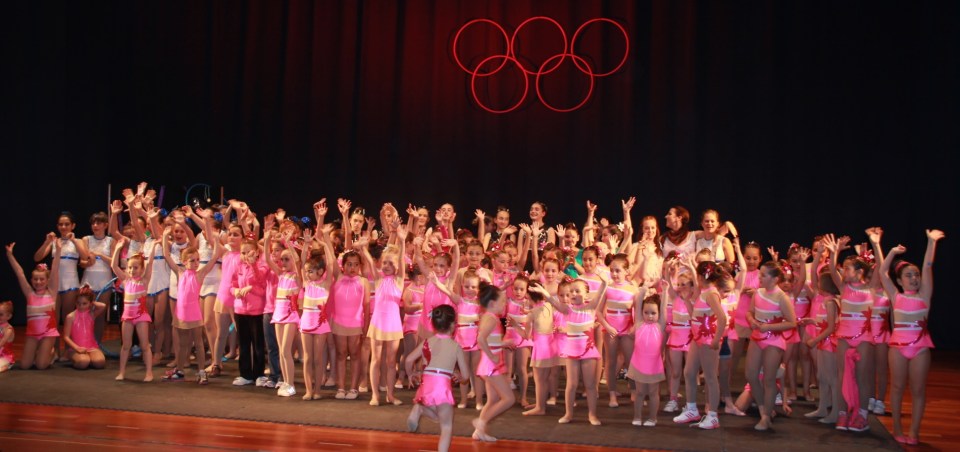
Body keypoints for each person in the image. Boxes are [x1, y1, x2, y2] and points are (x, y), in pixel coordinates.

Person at [878, 229, 943, 446]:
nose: (914, 278)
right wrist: (891, 251)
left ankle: (914, 432)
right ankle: (897, 428)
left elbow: (927, 266)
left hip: (920, 347)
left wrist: (931, 242)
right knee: (897, 388)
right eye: (909, 275)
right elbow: (882, 272)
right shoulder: (895, 296)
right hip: (897, 347)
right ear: (899, 280)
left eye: (916, 275)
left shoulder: (924, 295)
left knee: (918, 390)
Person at [533, 277, 607, 426]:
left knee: (590, 384)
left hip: (588, 351)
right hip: (572, 351)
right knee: (571, 384)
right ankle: (568, 413)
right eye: (571, 291)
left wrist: (604, 283)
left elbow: (599, 295)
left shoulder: (590, 308)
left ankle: (592, 414)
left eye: (577, 291)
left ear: (586, 294)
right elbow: (554, 302)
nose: (573, 294)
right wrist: (544, 292)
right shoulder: (568, 309)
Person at [405, 304, 470, 452]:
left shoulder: (427, 342)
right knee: (446, 426)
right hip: (442, 387)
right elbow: (466, 377)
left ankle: (419, 409)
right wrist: (459, 376)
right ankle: (419, 410)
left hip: (426, 385)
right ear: (453, 325)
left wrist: (410, 374)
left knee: (437, 416)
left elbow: (409, 360)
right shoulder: (455, 346)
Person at [161, 227, 221, 384]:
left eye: (197, 260)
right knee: (181, 344)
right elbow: (167, 255)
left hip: (194, 313)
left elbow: (214, 257)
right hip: (181, 313)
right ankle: (180, 370)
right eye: (192, 260)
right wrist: (164, 236)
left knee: (199, 343)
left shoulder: (200, 274)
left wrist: (215, 242)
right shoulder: (179, 272)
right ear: (184, 261)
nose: (196, 263)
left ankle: (201, 372)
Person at [744, 260, 797, 431]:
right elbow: (750, 312)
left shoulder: (782, 297)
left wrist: (769, 327)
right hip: (757, 337)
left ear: (774, 279)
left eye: (763, 275)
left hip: (773, 341)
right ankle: (763, 410)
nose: (759, 277)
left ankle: (766, 417)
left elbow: (792, 323)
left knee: (768, 379)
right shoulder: (758, 293)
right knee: (751, 375)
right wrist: (752, 320)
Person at [361, 225, 409, 406]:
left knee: (391, 362)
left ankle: (390, 394)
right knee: (376, 359)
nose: (387, 266)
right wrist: (364, 247)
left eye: (391, 263)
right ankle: (375, 395)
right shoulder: (378, 278)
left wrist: (402, 241)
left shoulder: (399, 281)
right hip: (378, 322)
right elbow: (368, 260)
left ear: (397, 266)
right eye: (385, 263)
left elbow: (403, 262)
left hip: (393, 324)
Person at [470, 282, 515, 441]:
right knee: (509, 399)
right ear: (492, 303)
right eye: (503, 301)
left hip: (491, 364)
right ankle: (481, 423)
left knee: (493, 399)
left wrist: (503, 344)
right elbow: (481, 339)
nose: (505, 304)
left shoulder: (491, 317)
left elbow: (489, 340)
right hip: (490, 365)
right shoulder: (491, 319)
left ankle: (479, 432)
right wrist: (492, 356)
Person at [8, 238, 61, 370]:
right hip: (32, 333)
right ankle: (39, 352)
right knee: (25, 365)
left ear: (47, 280)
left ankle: (51, 352)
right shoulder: (29, 294)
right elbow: (19, 273)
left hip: (48, 332)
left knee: (41, 365)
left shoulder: (52, 292)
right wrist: (10, 254)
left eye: (41, 279)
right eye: (35, 279)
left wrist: (58, 250)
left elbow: (55, 269)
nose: (38, 282)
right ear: (31, 280)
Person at [110, 237, 157, 381]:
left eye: (135, 267)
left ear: (141, 269)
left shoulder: (144, 281)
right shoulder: (126, 280)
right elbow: (114, 266)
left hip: (141, 316)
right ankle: (122, 372)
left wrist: (153, 246)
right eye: (130, 267)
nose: (131, 270)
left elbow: (150, 265)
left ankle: (149, 372)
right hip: (127, 317)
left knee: (144, 345)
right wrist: (118, 248)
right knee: (126, 346)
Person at [596, 254, 638, 408]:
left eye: (618, 270)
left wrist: (634, 327)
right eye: (612, 270)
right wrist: (607, 327)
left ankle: (634, 390)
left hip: (627, 327)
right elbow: (599, 312)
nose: (614, 274)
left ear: (626, 271)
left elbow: (638, 313)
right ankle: (612, 394)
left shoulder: (633, 289)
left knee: (630, 360)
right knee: (611, 361)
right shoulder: (607, 288)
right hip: (610, 327)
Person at [626, 293, 663, 427]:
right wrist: (643, 290)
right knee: (640, 393)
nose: (650, 316)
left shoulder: (660, 326)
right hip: (638, 364)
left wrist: (664, 291)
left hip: (654, 366)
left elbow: (663, 309)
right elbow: (638, 304)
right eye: (646, 313)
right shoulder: (639, 324)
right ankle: (637, 416)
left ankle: (653, 418)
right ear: (641, 313)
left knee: (653, 393)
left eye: (653, 313)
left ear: (659, 313)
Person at [62, 285, 107, 370]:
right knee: (83, 363)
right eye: (78, 303)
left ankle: (88, 357)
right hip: (75, 348)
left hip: (91, 347)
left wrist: (92, 302)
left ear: (90, 303)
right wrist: (76, 348)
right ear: (75, 302)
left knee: (100, 362)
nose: (81, 306)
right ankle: (70, 355)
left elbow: (103, 306)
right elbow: (66, 336)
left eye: (84, 303)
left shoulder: (92, 314)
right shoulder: (70, 317)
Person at [0, 301, 14, 372]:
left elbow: (2, 342)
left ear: (9, 316)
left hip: (5, 356)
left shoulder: (8, 329)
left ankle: (7, 365)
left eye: (1, 314)